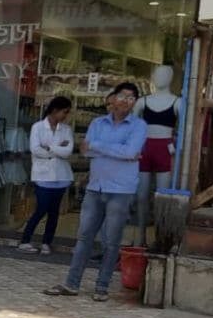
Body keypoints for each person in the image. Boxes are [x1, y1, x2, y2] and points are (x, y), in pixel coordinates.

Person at [44, 82, 147, 302]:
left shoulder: (139, 126)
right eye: (123, 96)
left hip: (121, 189)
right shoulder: (98, 123)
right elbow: (86, 151)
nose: (126, 102)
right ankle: (72, 283)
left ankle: (102, 287)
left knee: (111, 240)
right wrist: (118, 152)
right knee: (84, 237)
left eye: (131, 99)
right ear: (113, 98)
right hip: (95, 186)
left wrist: (100, 146)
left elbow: (131, 151)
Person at [18, 96, 74, 255]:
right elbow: (35, 149)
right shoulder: (38, 127)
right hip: (43, 176)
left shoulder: (66, 129)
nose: (66, 116)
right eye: (65, 112)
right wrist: (57, 150)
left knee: (54, 212)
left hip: (61, 176)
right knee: (41, 209)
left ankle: (46, 243)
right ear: (55, 110)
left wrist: (49, 147)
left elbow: (68, 151)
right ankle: (25, 240)